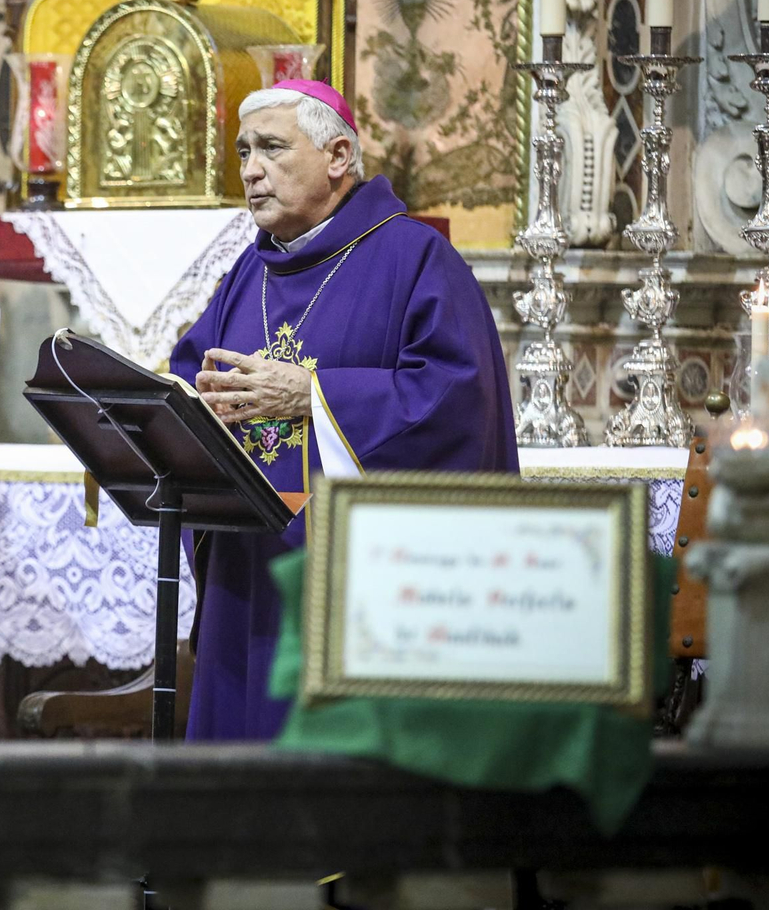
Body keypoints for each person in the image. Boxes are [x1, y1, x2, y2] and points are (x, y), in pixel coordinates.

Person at [171, 78, 519, 740]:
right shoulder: (251, 271)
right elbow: (192, 376)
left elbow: (455, 402)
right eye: (244, 151)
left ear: (337, 157)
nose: (249, 169)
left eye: (272, 148)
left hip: (357, 591)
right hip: (248, 579)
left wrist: (314, 396)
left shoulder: (416, 259)